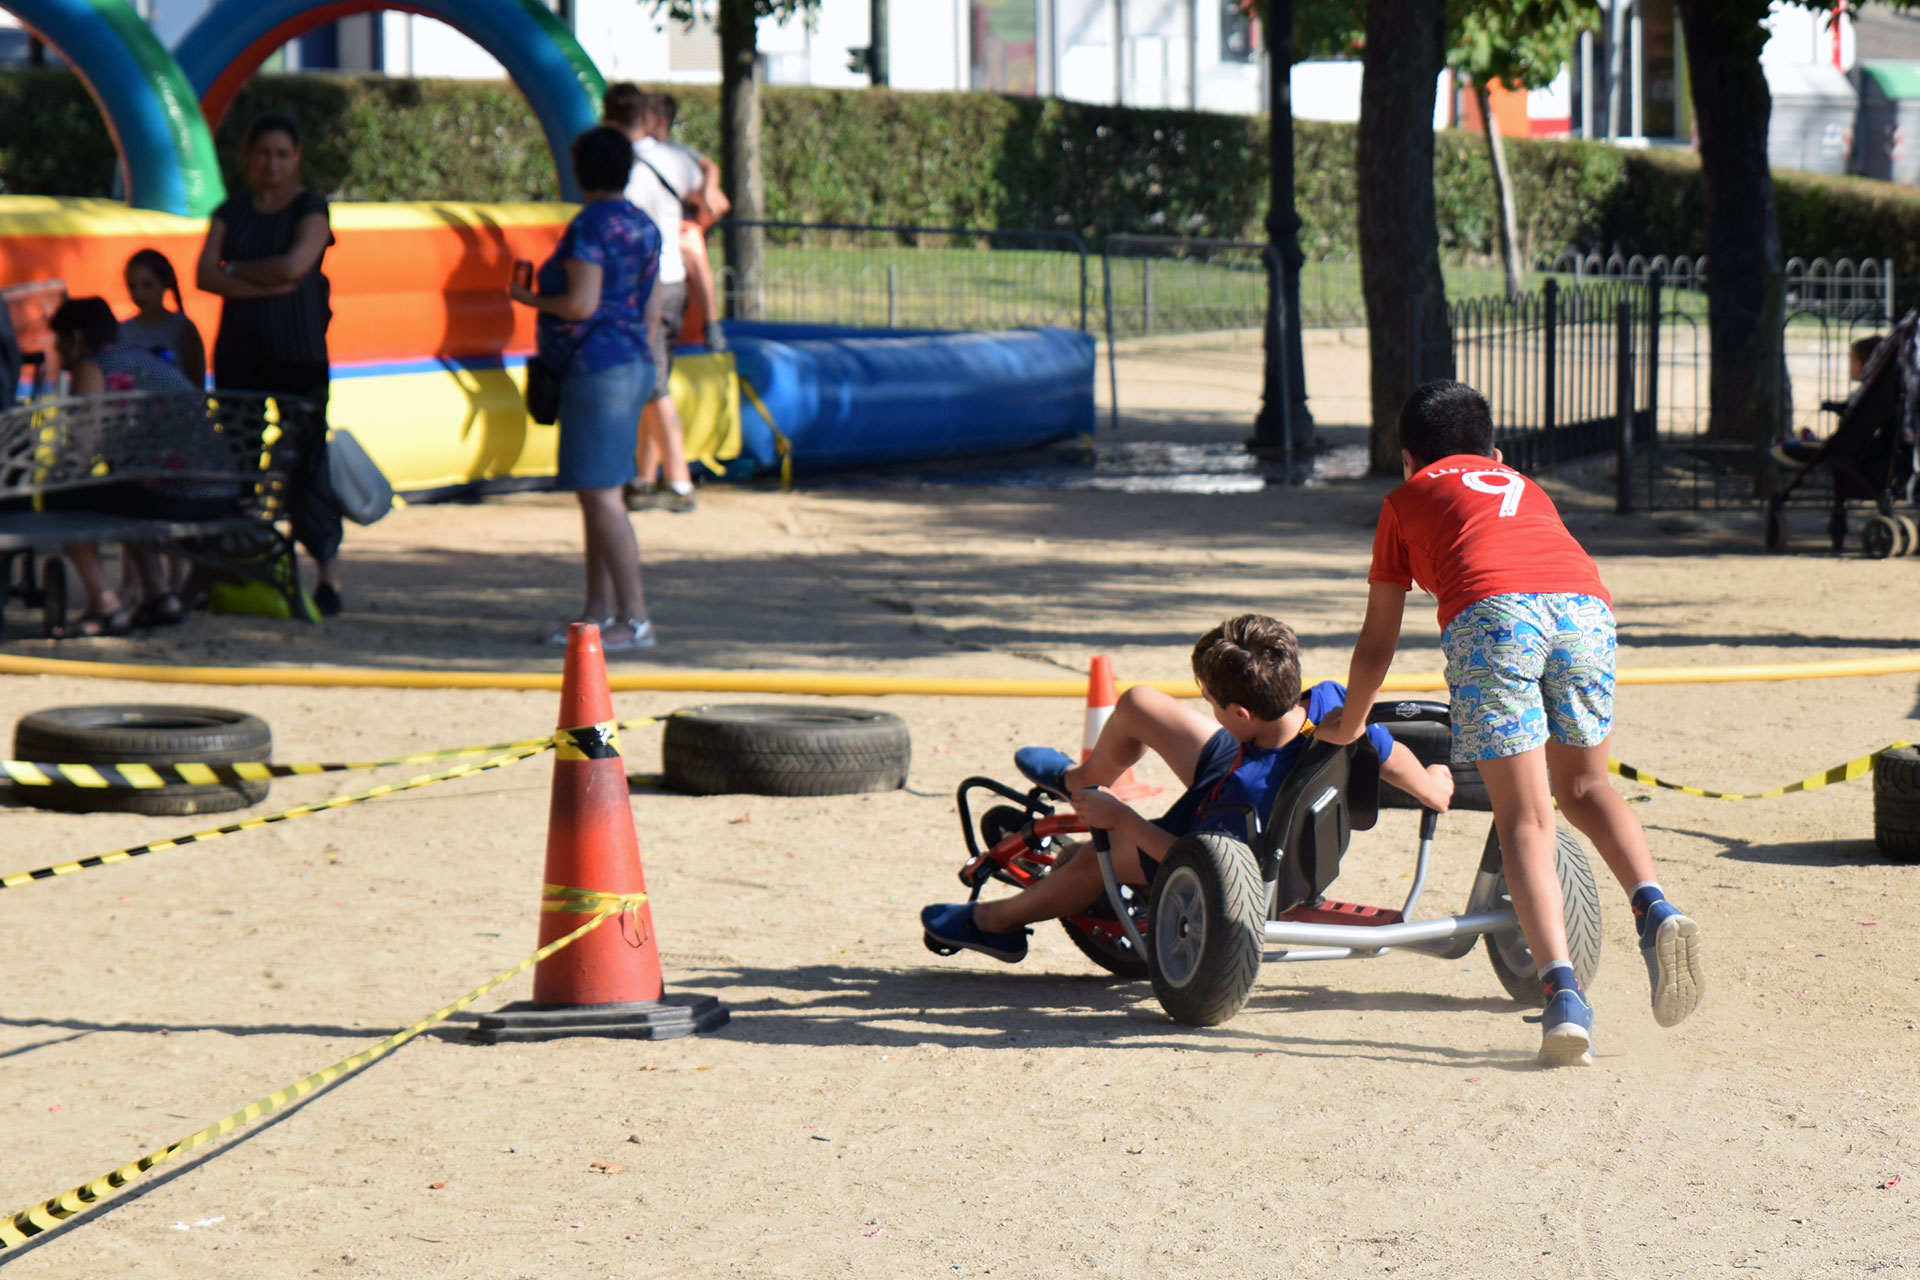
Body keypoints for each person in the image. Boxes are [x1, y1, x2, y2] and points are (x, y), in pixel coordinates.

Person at [1316, 379, 1706, 1067]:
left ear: (1408, 459)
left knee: (1525, 817)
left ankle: (1563, 996)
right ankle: (1655, 908)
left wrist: (1349, 723)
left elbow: (1378, 639)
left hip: (1495, 617)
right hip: (1587, 609)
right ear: (1494, 450)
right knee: (1586, 788)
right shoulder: (1521, 483)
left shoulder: (1405, 500)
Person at [920, 614, 1455, 961]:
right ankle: (1079, 781)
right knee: (1140, 704)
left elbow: (1190, 857)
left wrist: (1121, 819)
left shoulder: (1241, 796)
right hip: (1263, 761)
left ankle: (994, 923)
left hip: (1228, 840)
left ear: (1239, 711)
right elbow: (1390, 757)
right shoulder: (1333, 706)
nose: (1208, 709)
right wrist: (1432, 788)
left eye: (1212, 704)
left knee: (1082, 862)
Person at [509, 124, 661, 651]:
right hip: (632, 363)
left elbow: (580, 305)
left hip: (596, 370)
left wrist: (527, 299)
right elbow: (651, 308)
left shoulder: (588, 228)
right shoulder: (643, 225)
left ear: (579, 171)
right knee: (601, 495)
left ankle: (635, 618)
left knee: (600, 498)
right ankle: (597, 612)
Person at [194, 112, 346, 617]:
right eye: (264, 153)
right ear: (248, 157)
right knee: (238, 458)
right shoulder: (231, 209)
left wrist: (237, 273)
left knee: (305, 461)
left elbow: (294, 266)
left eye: (282, 154)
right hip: (240, 352)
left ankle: (328, 574)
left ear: (296, 158)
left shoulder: (310, 206)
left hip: (298, 353)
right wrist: (254, 279)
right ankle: (236, 566)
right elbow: (205, 274)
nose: (272, 163)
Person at [46, 297, 201, 636]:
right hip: (215, 488)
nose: (58, 353)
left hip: (178, 493)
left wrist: (47, 474)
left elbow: (80, 452)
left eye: (59, 342)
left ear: (74, 337)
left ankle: (105, 607)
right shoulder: (141, 359)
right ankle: (159, 596)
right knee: (125, 491)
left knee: (61, 496)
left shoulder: (94, 367)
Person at [602, 84, 716, 515]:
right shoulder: (674, 156)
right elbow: (708, 190)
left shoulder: (623, 165)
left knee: (654, 385)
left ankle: (681, 482)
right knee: (657, 377)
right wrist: (696, 224)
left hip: (643, 282)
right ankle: (644, 478)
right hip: (674, 279)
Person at [119, 248, 206, 388]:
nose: (139, 294)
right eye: (132, 287)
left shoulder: (183, 329)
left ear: (165, 283)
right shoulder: (122, 330)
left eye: (147, 285)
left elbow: (196, 387)